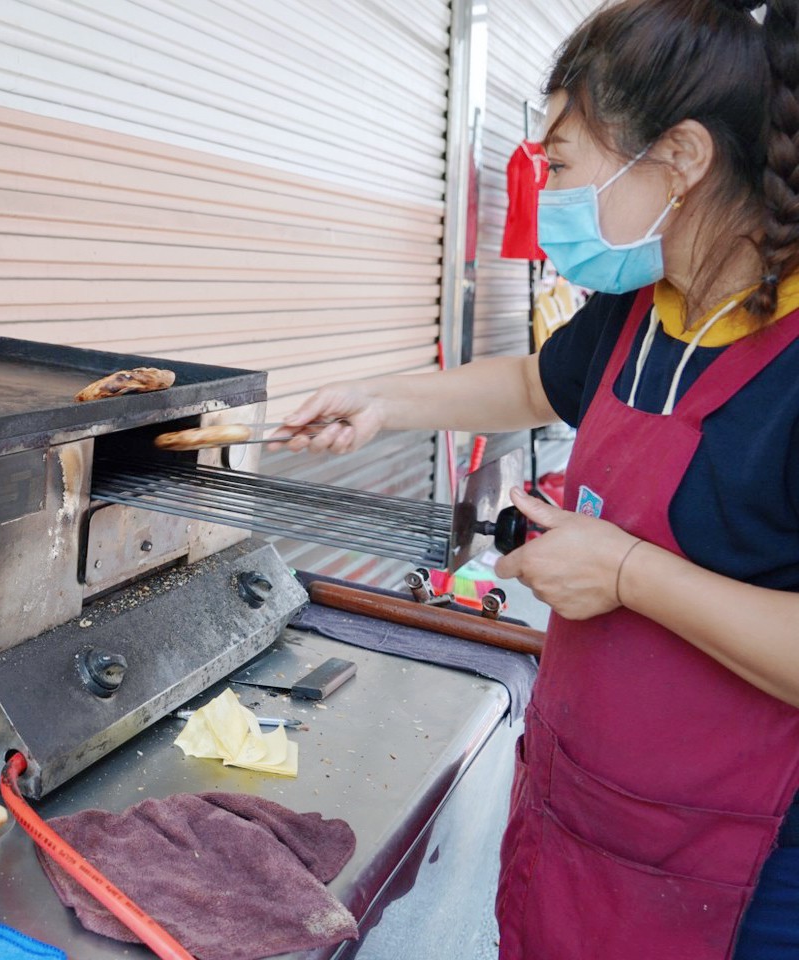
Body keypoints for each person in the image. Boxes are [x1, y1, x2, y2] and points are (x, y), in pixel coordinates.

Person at [271, 1, 799, 957]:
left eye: (560, 165)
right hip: (580, 812)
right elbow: (528, 381)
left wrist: (629, 574)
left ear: (680, 158)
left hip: (740, 876)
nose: (547, 192)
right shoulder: (641, 309)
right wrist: (381, 400)